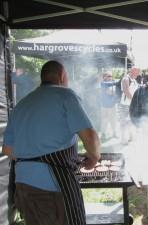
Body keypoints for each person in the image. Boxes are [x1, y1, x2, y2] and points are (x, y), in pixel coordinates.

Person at [2, 60, 101, 225]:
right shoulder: (65, 95)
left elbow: (7, 150)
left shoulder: (21, 105)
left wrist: (32, 156)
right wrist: (94, 158)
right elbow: (90, 137)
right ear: (62, 76)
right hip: (52, 188)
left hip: (23, 187)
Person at [119, 67, 140, 144]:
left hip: (132, 105)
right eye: (137, 71)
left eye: (138, 72)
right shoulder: (126, 79)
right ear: (131, 71)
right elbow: (126, 91)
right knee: (123, 122)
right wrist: (134, 100)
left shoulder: (134, 81)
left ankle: (131, 136)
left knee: (131, 121)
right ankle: (123, 139)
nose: (138, 73)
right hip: (124, 105)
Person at [100, 72, 118, 140]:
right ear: (104, 77)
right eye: (108, 76)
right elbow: (110, 92)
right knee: (104, 121)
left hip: (112, 105)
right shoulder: (103, 83)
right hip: (104, 106)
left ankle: (114, 133)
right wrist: (114, 93)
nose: (110, 77)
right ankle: (103, 134)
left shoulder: (112, 83)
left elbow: (115, 93)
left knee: (113, 120)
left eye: (111, 76)